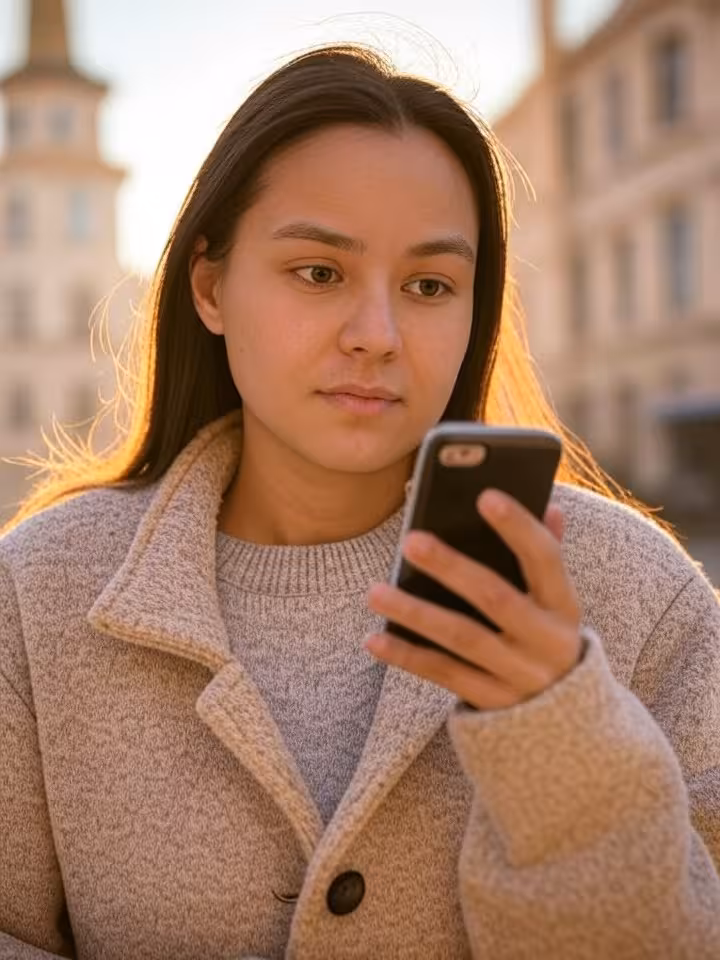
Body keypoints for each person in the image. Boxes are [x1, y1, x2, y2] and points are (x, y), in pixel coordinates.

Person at [0, 44, 718, 960]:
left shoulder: (640, 598)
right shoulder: (35, 596)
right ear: (212, 288)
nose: (377, 336)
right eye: (319, 273)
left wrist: (560, 738)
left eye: (428, 286)